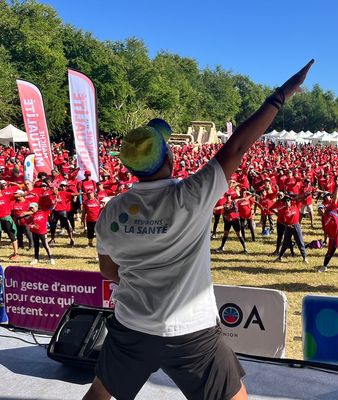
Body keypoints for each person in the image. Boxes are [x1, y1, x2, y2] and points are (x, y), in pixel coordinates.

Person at [83, 60, 313, 400]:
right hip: (191, 332)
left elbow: (108, 270)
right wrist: (280, 96)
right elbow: (236, 145)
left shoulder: (111, 211)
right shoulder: (191, 195)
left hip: (131, 326)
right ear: (168, 159)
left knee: (101, 394)